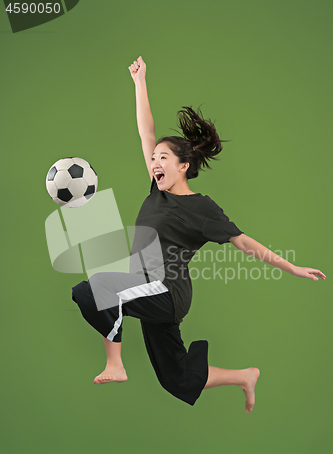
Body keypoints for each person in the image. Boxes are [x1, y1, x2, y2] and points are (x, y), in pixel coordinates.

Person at [71, 56, 326, 413]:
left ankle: (115, 362)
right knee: (175, 377)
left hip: (166, 290)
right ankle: (244, 376)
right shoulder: (157, 189)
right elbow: (146, 131)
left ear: (184, 166)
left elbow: (244, 243)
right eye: (154, 158)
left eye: (163, 158)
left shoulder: (202, 209)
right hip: (143, 285)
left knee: (92, 289)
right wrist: (139, 82)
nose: (155, 163)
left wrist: (293, 268)